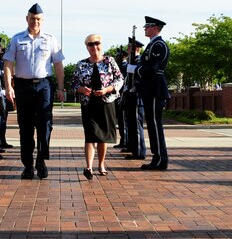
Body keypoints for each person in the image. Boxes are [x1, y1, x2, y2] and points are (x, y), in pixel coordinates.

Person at [3, 3, 65, 180]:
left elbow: (58, 65)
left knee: (45, 124)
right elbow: (8, 63)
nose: (35, 22)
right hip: (22, 86)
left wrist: (60, 88)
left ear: (42, 20)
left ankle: (41, 160)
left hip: (44, 85)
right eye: (32, 18)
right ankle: (28, 165)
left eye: (38, 19)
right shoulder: (16, 39)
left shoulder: (51, 39)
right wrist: (9, 87)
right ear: (26, 19)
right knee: (25, 126)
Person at [71, 34, 124, 179]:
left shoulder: (109, 61)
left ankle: (101, 164)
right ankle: (88, 167)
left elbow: (120, 79)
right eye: (90, 44)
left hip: (106, 102)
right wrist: (82, 89)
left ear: (101, 44)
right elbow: (73, 84)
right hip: (89, 104)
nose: (94, 47)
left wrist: (107, 89)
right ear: (87, 47)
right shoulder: (81, 64)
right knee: (90, 134)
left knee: (103, 136)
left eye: (97, 43)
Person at [127, 16, 170, 170]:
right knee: (151, 125)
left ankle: (160, 159)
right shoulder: (153, 45)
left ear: (155, 28)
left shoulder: (159, 45)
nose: (145, 28)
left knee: (154, 125)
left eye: (147, 26)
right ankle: (157, 157)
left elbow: (151, 69)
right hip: (149, 89)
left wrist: (135, 70)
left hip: (155, 89)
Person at [123, 37, 147, 161]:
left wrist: (134, 87)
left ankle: (139, 151)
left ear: (135, 48)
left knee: (137, 126)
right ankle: (134, 149)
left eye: (129, 47)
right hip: (131, 96)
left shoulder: (140, 60)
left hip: (137, 97)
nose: (127, 49)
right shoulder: (131, 61)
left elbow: (140, 77)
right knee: (131, 125)